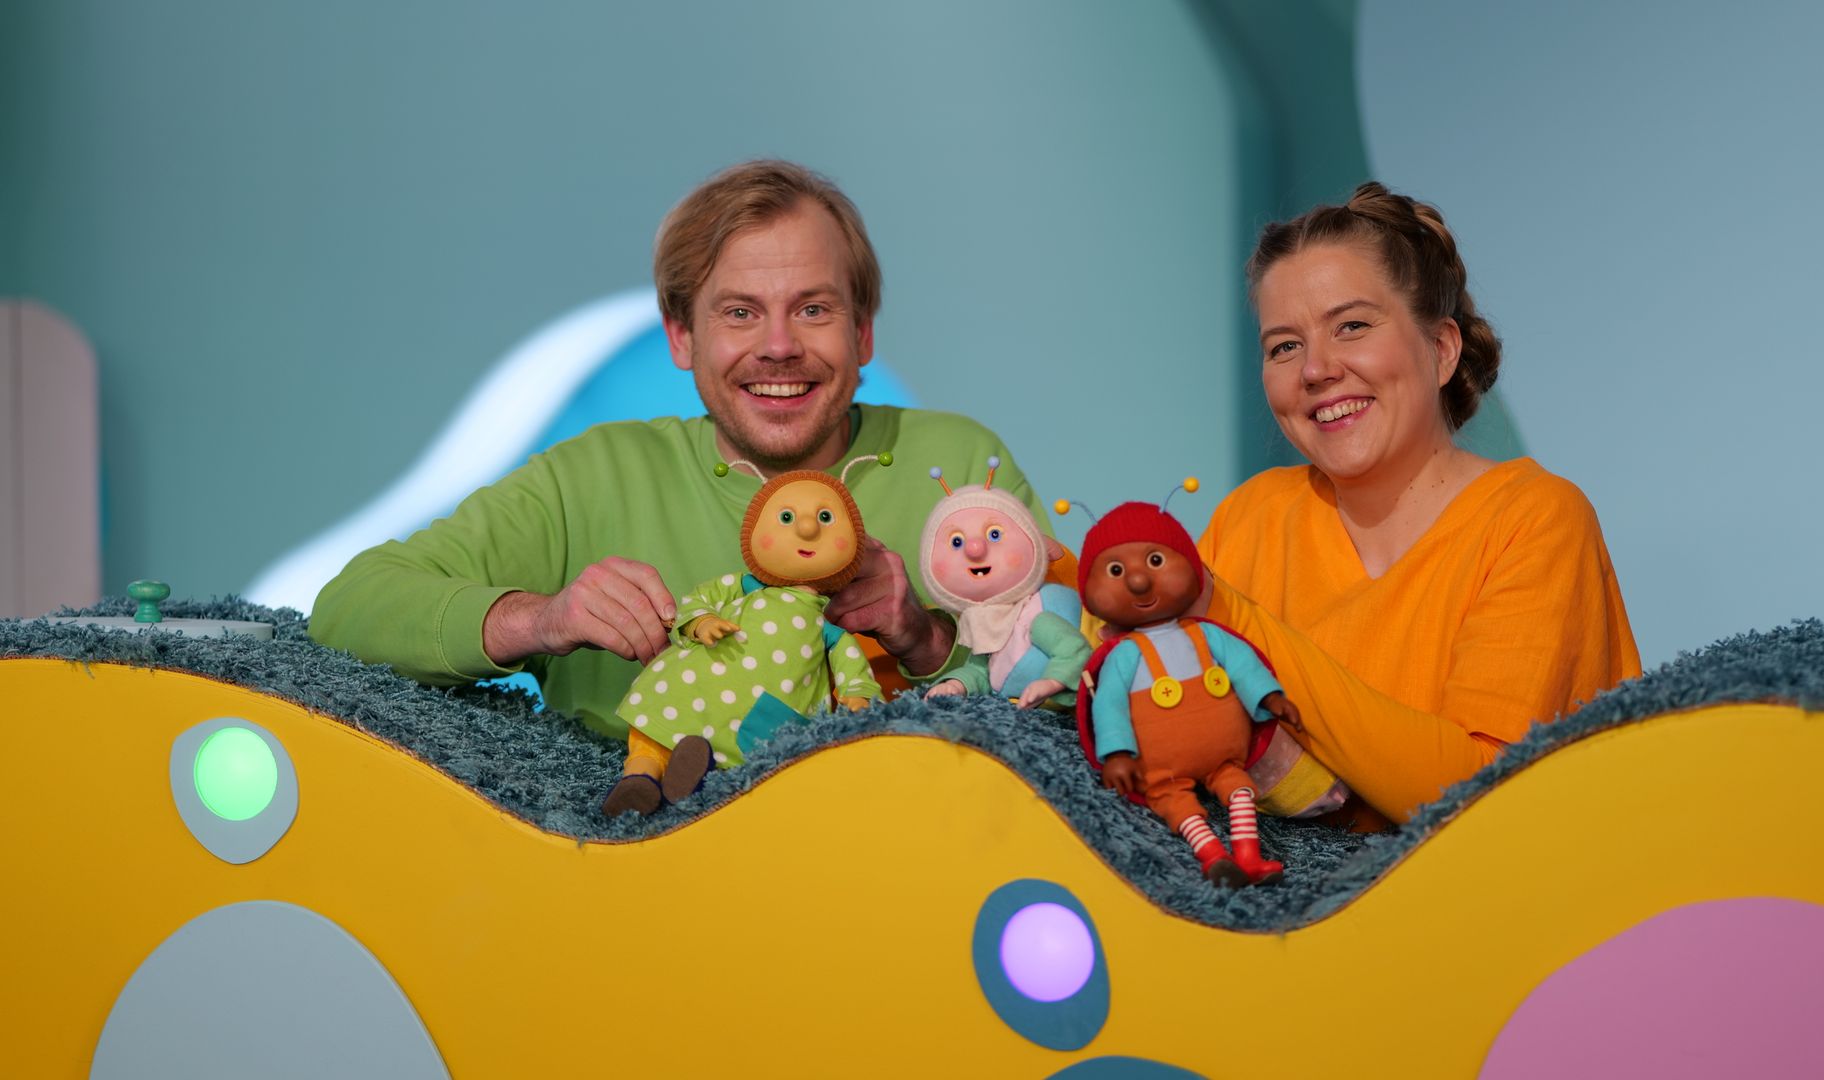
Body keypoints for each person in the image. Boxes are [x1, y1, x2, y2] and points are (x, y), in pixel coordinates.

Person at [310, 160, 1060, 746]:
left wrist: (927, 640)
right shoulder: (593, 477)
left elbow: (1085, 695)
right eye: (739, 313)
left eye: (813, 309)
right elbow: (347, 610)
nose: (778, 347)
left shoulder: (961, 464)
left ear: (862, 333)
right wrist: (538, 618)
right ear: (681, 336)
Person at [1193, 182, 1640, 826]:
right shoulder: (1249, 518)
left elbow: (1476, 797)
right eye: (1283, 346)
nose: (1315, 369)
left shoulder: (1534, 519)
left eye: (1352, 326)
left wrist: (1228, 617)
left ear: (1441, 349)